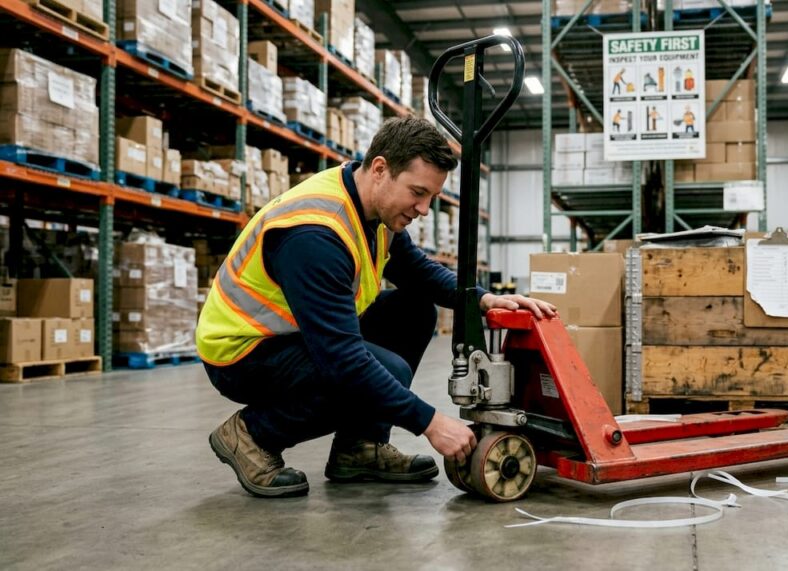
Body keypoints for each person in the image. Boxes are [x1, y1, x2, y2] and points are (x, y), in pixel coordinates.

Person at [197, 116, 557, 498]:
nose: (423, 209)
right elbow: (343, 361)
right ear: (381, 169)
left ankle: (359, 448)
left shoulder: (373, 209)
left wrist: (482, 299)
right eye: (418, 193)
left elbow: (416, 270)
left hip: (293, 336)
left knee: (414, 310)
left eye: (431, 197)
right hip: (242, 353)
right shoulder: (314, 235)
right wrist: (430, 422)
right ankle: (252, 434)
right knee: (381, 371)